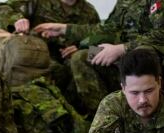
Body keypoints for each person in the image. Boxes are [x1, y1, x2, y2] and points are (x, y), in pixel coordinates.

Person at [34, 0, 164, 116]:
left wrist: (122, 48)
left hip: (145, 61)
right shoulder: (124, 2)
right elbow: (106, 29)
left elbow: (160, 33)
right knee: (82, 56)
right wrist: (65, 29)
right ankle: (103, 117)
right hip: (121, 57)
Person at [0, 0, 100, 102]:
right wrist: (16, 20)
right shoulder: (36, 2)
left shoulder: (89, 11)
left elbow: (99, 43)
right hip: (36, 61)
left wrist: (81, 48)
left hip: (73, 71)